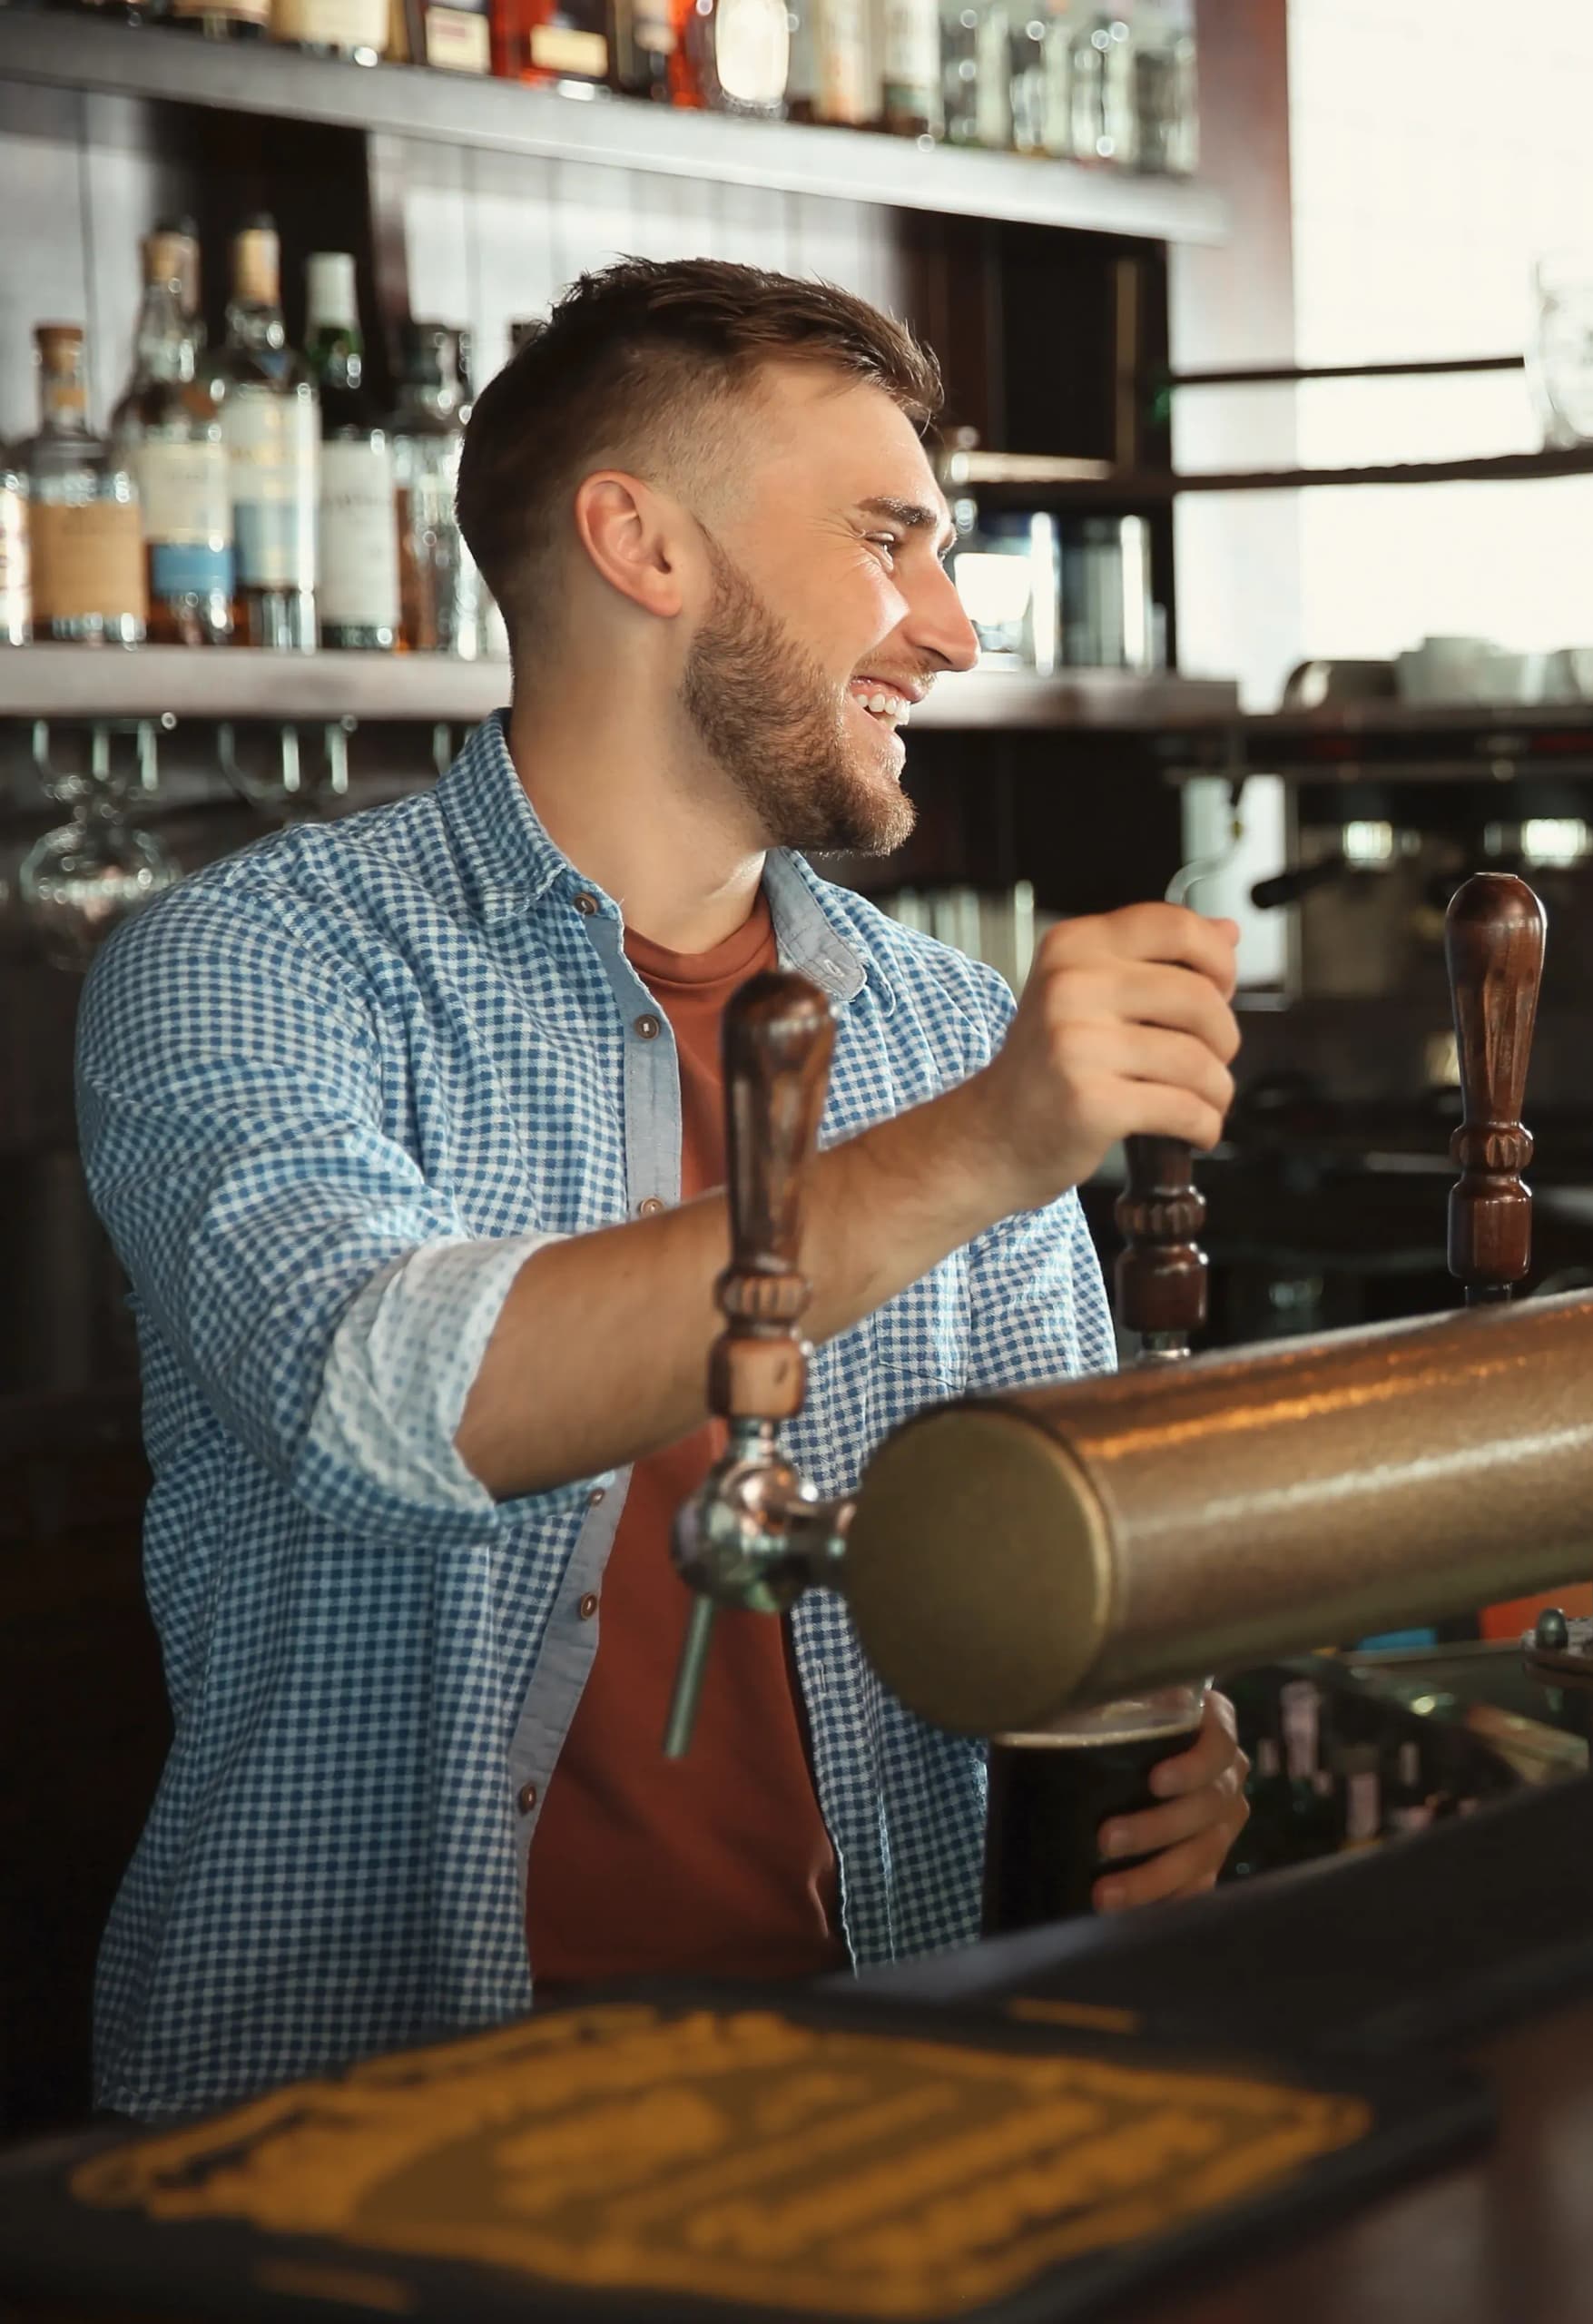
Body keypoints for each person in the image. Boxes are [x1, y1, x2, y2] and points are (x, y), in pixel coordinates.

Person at [74, 261, 1251, 2121]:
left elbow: (1055, 1542)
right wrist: (980, 1147)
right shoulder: (255, 964)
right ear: (642, 543)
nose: (951, 632)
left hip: (893, 2079)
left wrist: (1170, 1737)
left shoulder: (949, 1027)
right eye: (888, 539)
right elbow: (381, 1399)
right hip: (357, 2120)